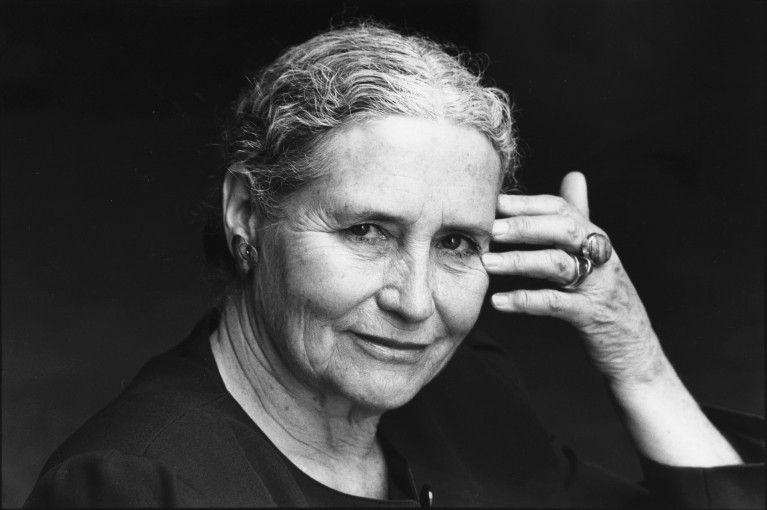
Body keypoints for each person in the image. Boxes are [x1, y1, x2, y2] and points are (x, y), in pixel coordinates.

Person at [25, 23, 763, 508]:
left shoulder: (463, 393)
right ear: (247, 215)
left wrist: (630, 351)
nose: (415, 304)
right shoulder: (136, 482)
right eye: (368, 231)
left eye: (455, 244)